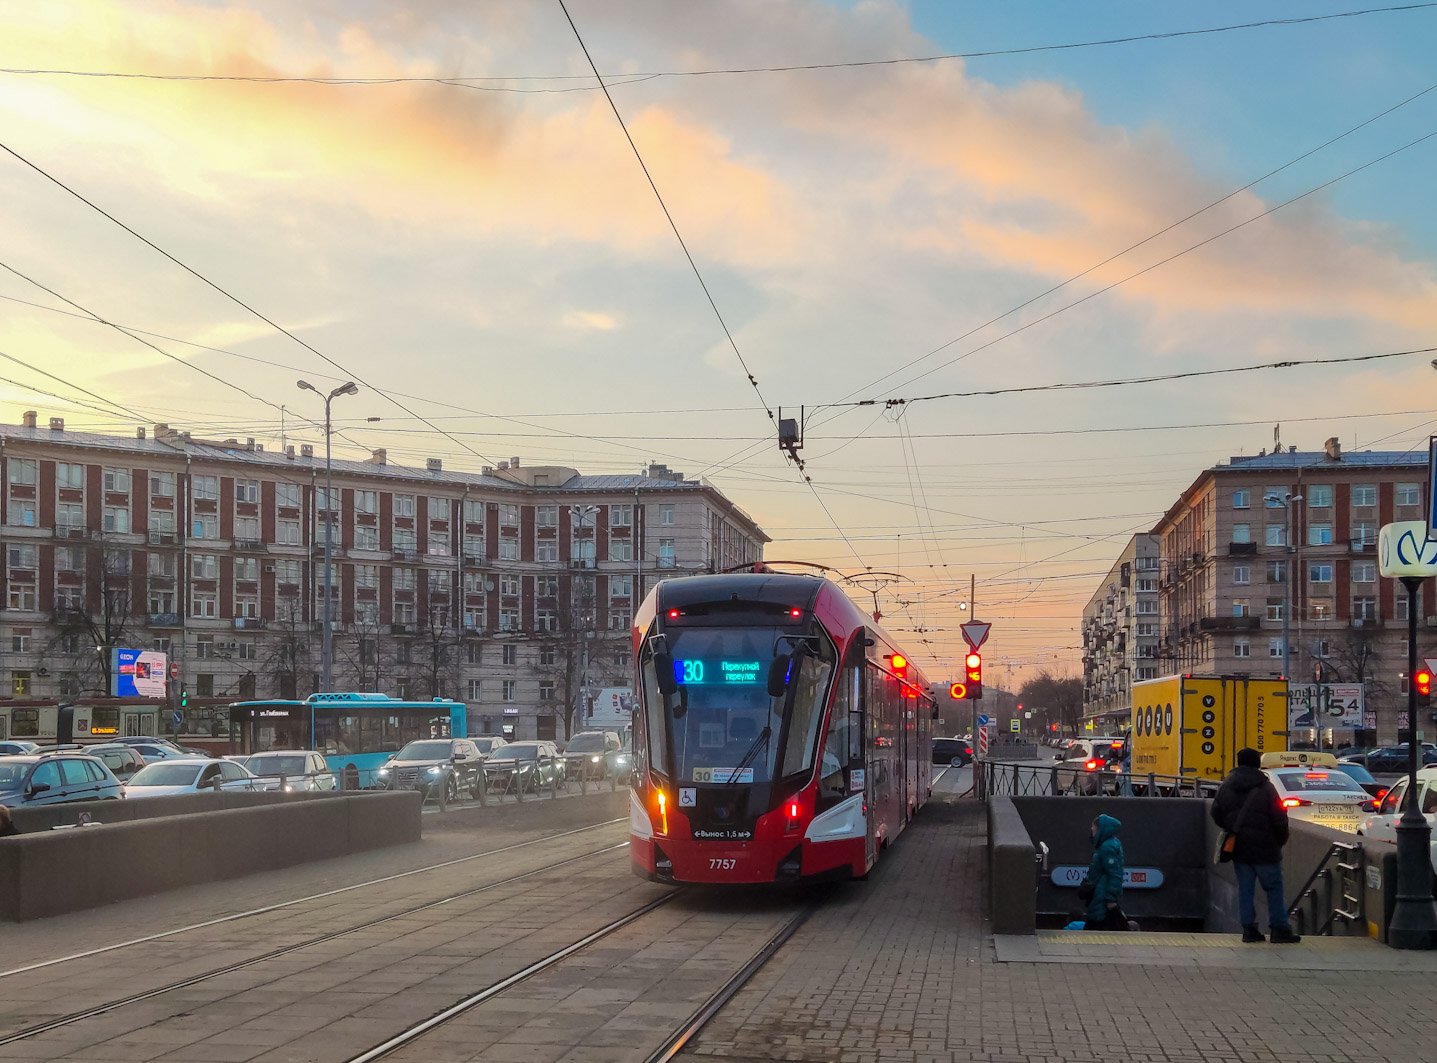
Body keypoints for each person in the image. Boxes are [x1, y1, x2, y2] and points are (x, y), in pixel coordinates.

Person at [1212, 747, 1300, 944]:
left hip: (1239, 847)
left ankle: (1249, 930)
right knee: (1274, 888)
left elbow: (1216, 812)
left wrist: (1232, 827)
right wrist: (1280, 840)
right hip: (1266, 847)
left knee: (1245, 888)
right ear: (1257, 764)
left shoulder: (1227, 786)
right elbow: (1279, 819)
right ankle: (1279, 929)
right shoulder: (1267, 788)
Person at [1083, 814, 1127, 930]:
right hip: (1101, 893)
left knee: (1095, 925)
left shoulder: (1106, 847)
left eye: (1093, 827)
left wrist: (1110, 898)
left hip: (1102, 895)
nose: (1092, 829)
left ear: (1100, 828)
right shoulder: (1110, 843)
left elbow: (1115, 874)